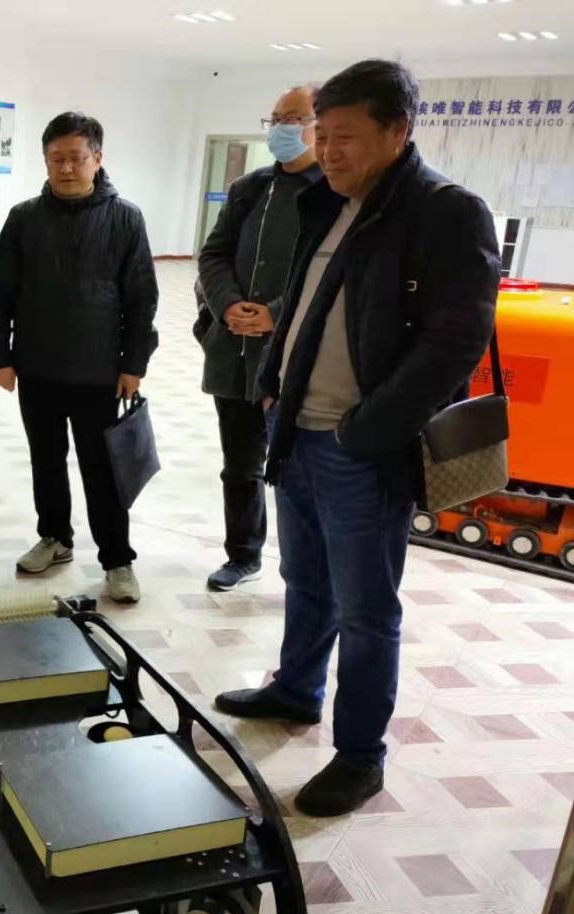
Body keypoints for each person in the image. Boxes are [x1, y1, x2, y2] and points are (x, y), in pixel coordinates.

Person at [214, 60, 500, 816]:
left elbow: (454, 343)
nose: (327, 150)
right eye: (321, 135)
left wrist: (368, 429)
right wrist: (273, 383)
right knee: (305, 580)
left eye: (344, 136)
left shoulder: (444, 211)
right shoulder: (331, 203)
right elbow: (303, 303)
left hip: (360, 450)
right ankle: (296, 688)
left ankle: (360, 756)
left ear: (397, 131)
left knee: (367, 609)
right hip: (297, 431)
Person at [0, 112, 159, 604]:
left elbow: (141, 298)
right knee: (46, 460)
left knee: (102, 468)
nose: (65, 168)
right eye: (56, 158)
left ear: (97, 159)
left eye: (76, 158)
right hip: (37, 366)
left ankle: (117, 559)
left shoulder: (125, 219)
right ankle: (55, 538)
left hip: (98, 372)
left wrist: (134, 364)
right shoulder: (24, 218)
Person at [194, 84, 322, 593]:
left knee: (298, 473)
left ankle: (306, 572)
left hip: (293, 357)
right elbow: (213, 254)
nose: (282, 129)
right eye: (276, 119)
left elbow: (331, 274)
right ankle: (243, 555)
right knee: (240, 466)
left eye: (294, 119)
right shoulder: (250, 188)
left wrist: (275, 316)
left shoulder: (333, 194)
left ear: (320, 125)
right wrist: (228, 305)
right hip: (235, 349)